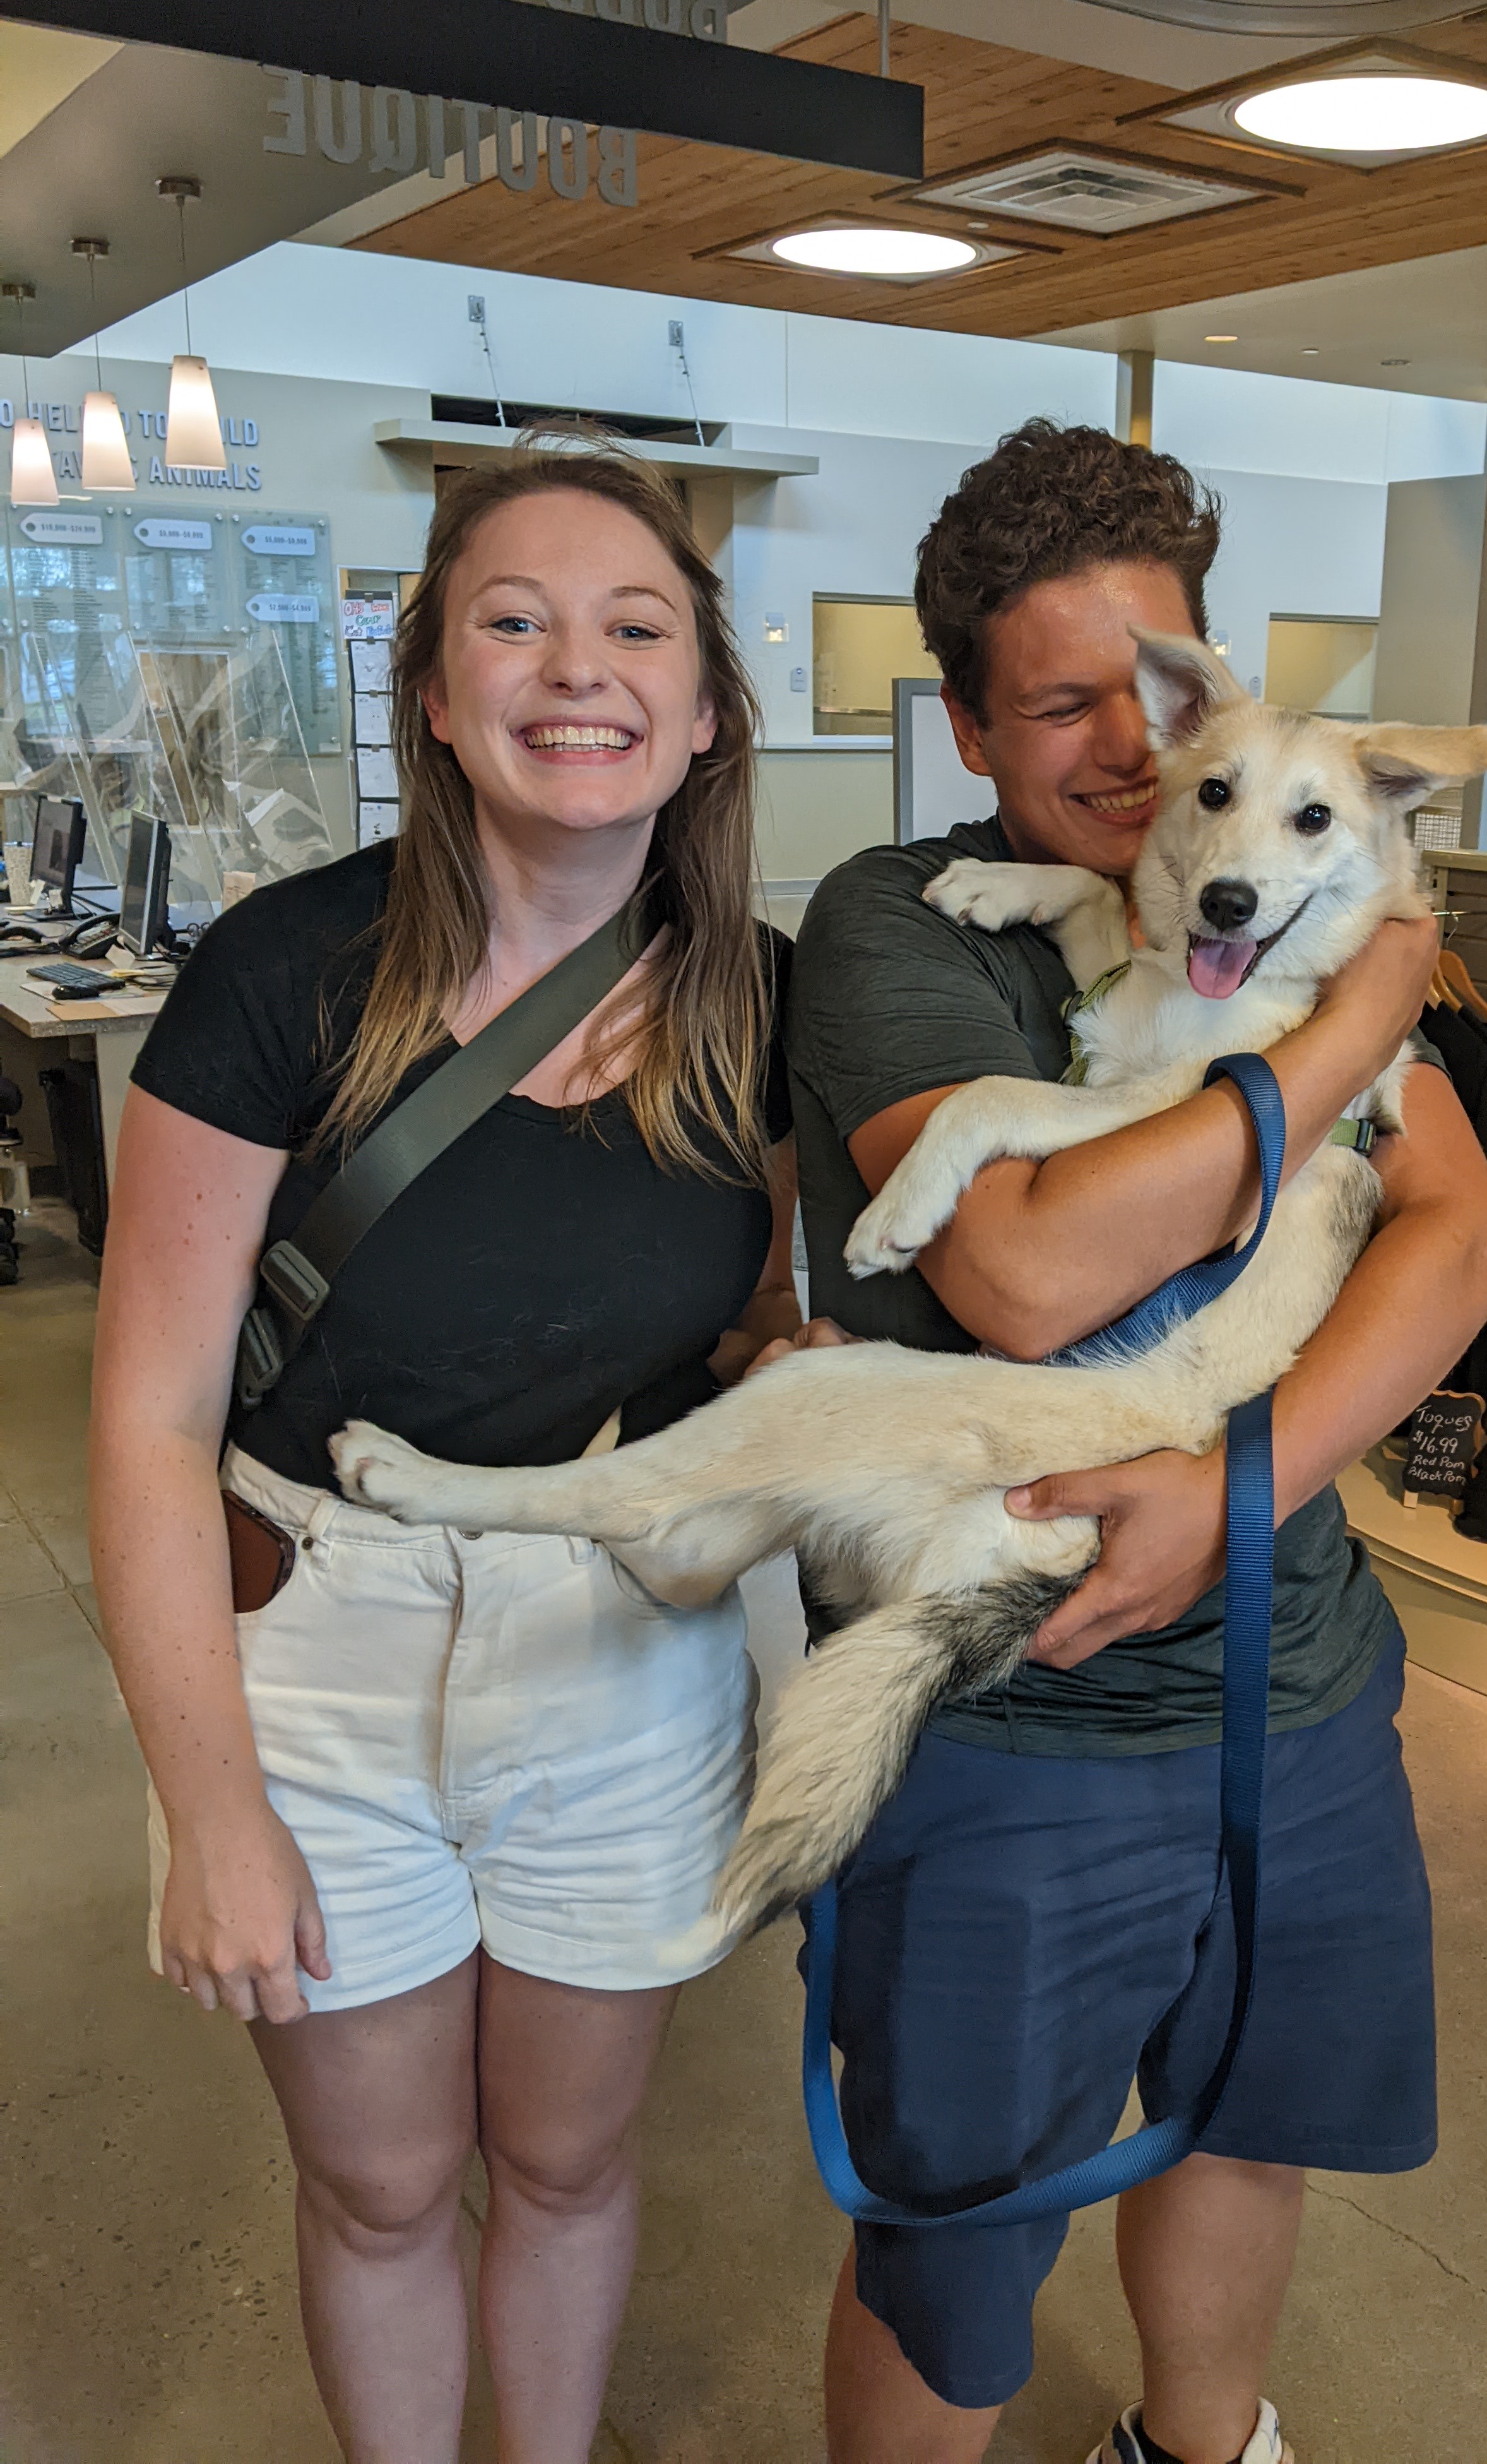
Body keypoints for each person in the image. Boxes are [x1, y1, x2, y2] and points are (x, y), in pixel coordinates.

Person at [779, 420, 1487, 2464]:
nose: (1132, 744)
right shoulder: (902, 924)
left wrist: (1242, 1500)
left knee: (1243, 2122)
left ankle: (1192, 2450)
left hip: (1296, 1675)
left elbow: (1463, 1241)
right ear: (966, 724)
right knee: (955, 2226)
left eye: (1163, 679)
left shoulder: (1279, 892)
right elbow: (1022, 1269)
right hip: (1017, 1724)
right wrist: (1356, 1040)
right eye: (1063, 700)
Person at [88, 444, 798, 2464]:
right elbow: (148, 1421)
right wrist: (211, 1811)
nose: (578, 669)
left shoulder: (765, 1002)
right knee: (385, 2184)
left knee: (568, 2170)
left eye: (634, 626)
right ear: (431, 687)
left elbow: (758, 1323)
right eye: (516, 620)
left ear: (709, 705)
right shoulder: (282, 974)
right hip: (315, 1647)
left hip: (624, 1654)